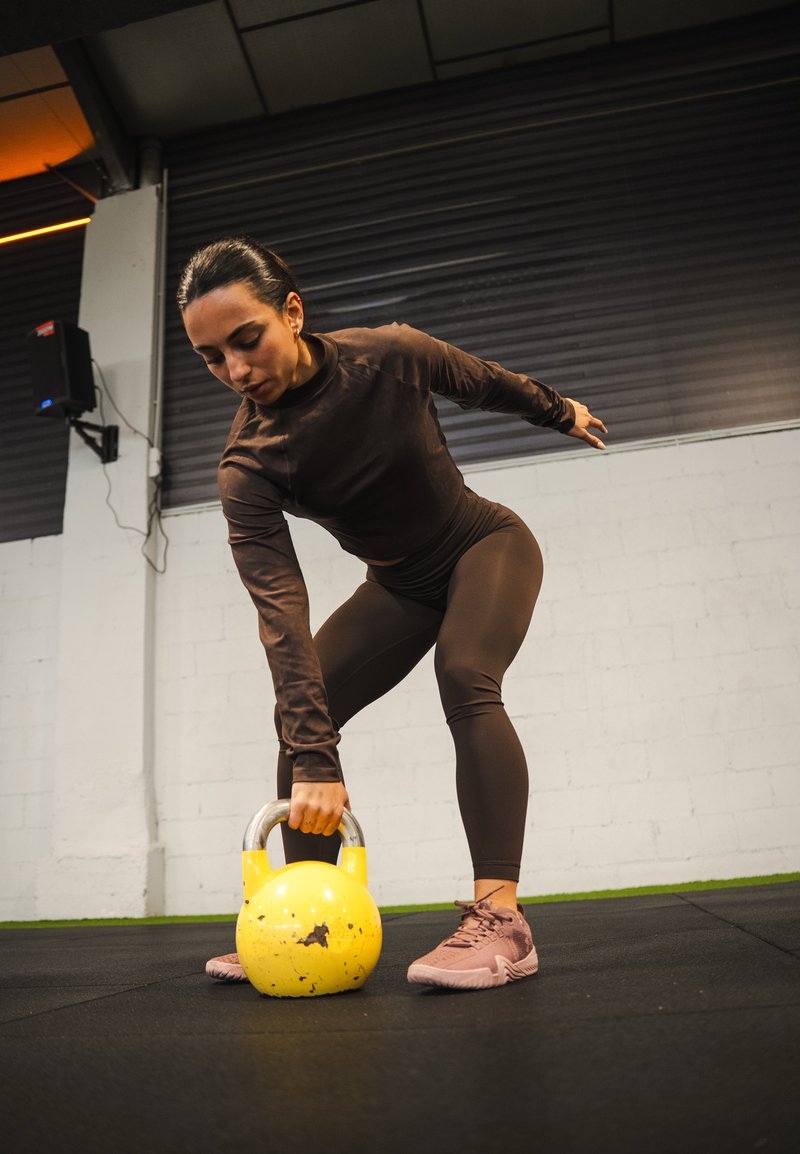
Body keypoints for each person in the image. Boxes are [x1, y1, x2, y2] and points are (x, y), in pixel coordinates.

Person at [178, 238, 607, 992]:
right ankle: (297, 916)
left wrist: (556, 409)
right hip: (399, 586)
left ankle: (503, 922)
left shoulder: (391, 355)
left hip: (484, 544)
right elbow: (280, 607)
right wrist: (315, 757)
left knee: (465, 674)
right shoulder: (246, 464)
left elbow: (481, 382)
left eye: (248, 340)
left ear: (292, 312)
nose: (237, 371)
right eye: (213, 359)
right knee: (300, 712)